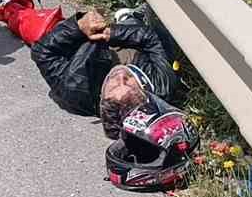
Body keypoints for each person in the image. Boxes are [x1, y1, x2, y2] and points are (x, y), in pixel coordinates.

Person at [29, 9, 177, 137]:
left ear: (102, 97)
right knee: (164, 39)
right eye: (130, 85)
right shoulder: (160, 86)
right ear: (145, 93)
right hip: (134, 52)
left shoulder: (74, 85)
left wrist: (79, 26)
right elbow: (151, 39)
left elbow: (42, 52)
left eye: (113, 87)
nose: (120, 76)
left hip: (84, 54)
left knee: (40, 27)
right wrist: (113, 33)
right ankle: (129, 19)